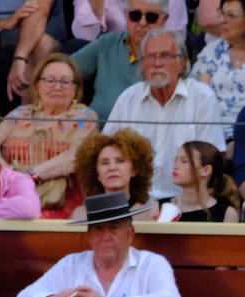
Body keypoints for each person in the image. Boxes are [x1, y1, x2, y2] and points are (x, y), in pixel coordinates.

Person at [14, 190, 180, 297]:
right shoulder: (70, 265)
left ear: (130, 234)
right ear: (89, 236)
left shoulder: (152, 264)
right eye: (98, 228)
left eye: (113, 228)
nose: (105, 236)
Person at [104, 29, 227, 201]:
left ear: (182, 62)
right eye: (150, 57)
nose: (157, 63)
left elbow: (212, 160)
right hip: (134, 200)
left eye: (165, 56)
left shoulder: (202, 98)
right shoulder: (128, 99)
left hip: (185, 202)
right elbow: (105, 150)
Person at [0, 53, 99, 218]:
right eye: (50, 80)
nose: (57, 87)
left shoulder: (85, 117)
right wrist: (8, 175)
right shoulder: (19, 114)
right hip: (13, 199)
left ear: (76, 89)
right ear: (38, 85)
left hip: (61, 205)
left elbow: (76, 156)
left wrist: (29, 176)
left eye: (65, 82)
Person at [70, 0, 166, 123]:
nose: (142, 23)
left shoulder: (172, 56)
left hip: (144, 138)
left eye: (151, 17)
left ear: (164, 20)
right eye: (135, 16)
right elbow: (64, 71)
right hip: (99, 136)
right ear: (126, 16)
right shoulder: (108, 43)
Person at [68, 128, 159, 221]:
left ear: (134, 170)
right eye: (105, 163)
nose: (112, 167)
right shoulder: (80, 215)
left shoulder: (148, 214)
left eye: (120, 161)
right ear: (96, 173)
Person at [191, 0, 245, 141]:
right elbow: (202, 99)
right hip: (212, 134)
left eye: (231, 15)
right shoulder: (212, 51)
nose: (222, 21)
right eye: (221, 14)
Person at [162, 141, 241, 223]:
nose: (175, 166)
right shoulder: (160, 207)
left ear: (206, 170)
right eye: (176, 160)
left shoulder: (226, 213)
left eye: (184, 161)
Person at [72, 0, 187, 39]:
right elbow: (84, 39)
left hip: (154, 57)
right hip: (111, 59)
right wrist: (97, 9)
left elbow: (174, 43)